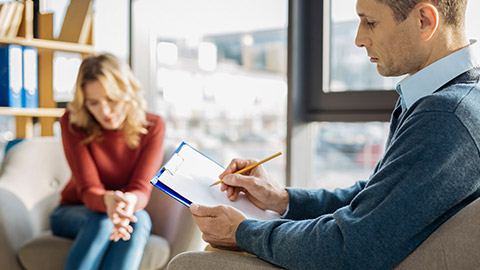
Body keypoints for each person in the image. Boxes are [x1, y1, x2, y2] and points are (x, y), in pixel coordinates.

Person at [189, 0, 480, 269]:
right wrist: (282, 200)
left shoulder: (445, 116)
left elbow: (351, 246)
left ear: (424, 20)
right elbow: (373, 199)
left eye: (370, 22)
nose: (359, 39)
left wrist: (241, 231)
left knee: (190, 263)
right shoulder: (455, 101)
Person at [50, 53, 165, 270]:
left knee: (138, 221)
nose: (104, 111)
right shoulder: (73, 122)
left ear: (127, 92)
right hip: (74, 210)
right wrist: (107, 202)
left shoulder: (153, 126)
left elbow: (141, 189)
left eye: (111, 100)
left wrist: (126, 203)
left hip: (127, 209)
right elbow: (88, 188)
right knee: (102, 221)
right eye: (93, 103)